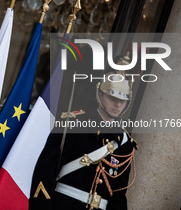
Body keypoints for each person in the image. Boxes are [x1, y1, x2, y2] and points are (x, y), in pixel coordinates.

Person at [30, 70, 138, 210]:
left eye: (123, 100)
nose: (118, 104)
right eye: (112, 98)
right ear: (100, 94)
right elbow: (45, 171)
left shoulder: (125, 143)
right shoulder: (73, 124)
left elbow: (118, 195)